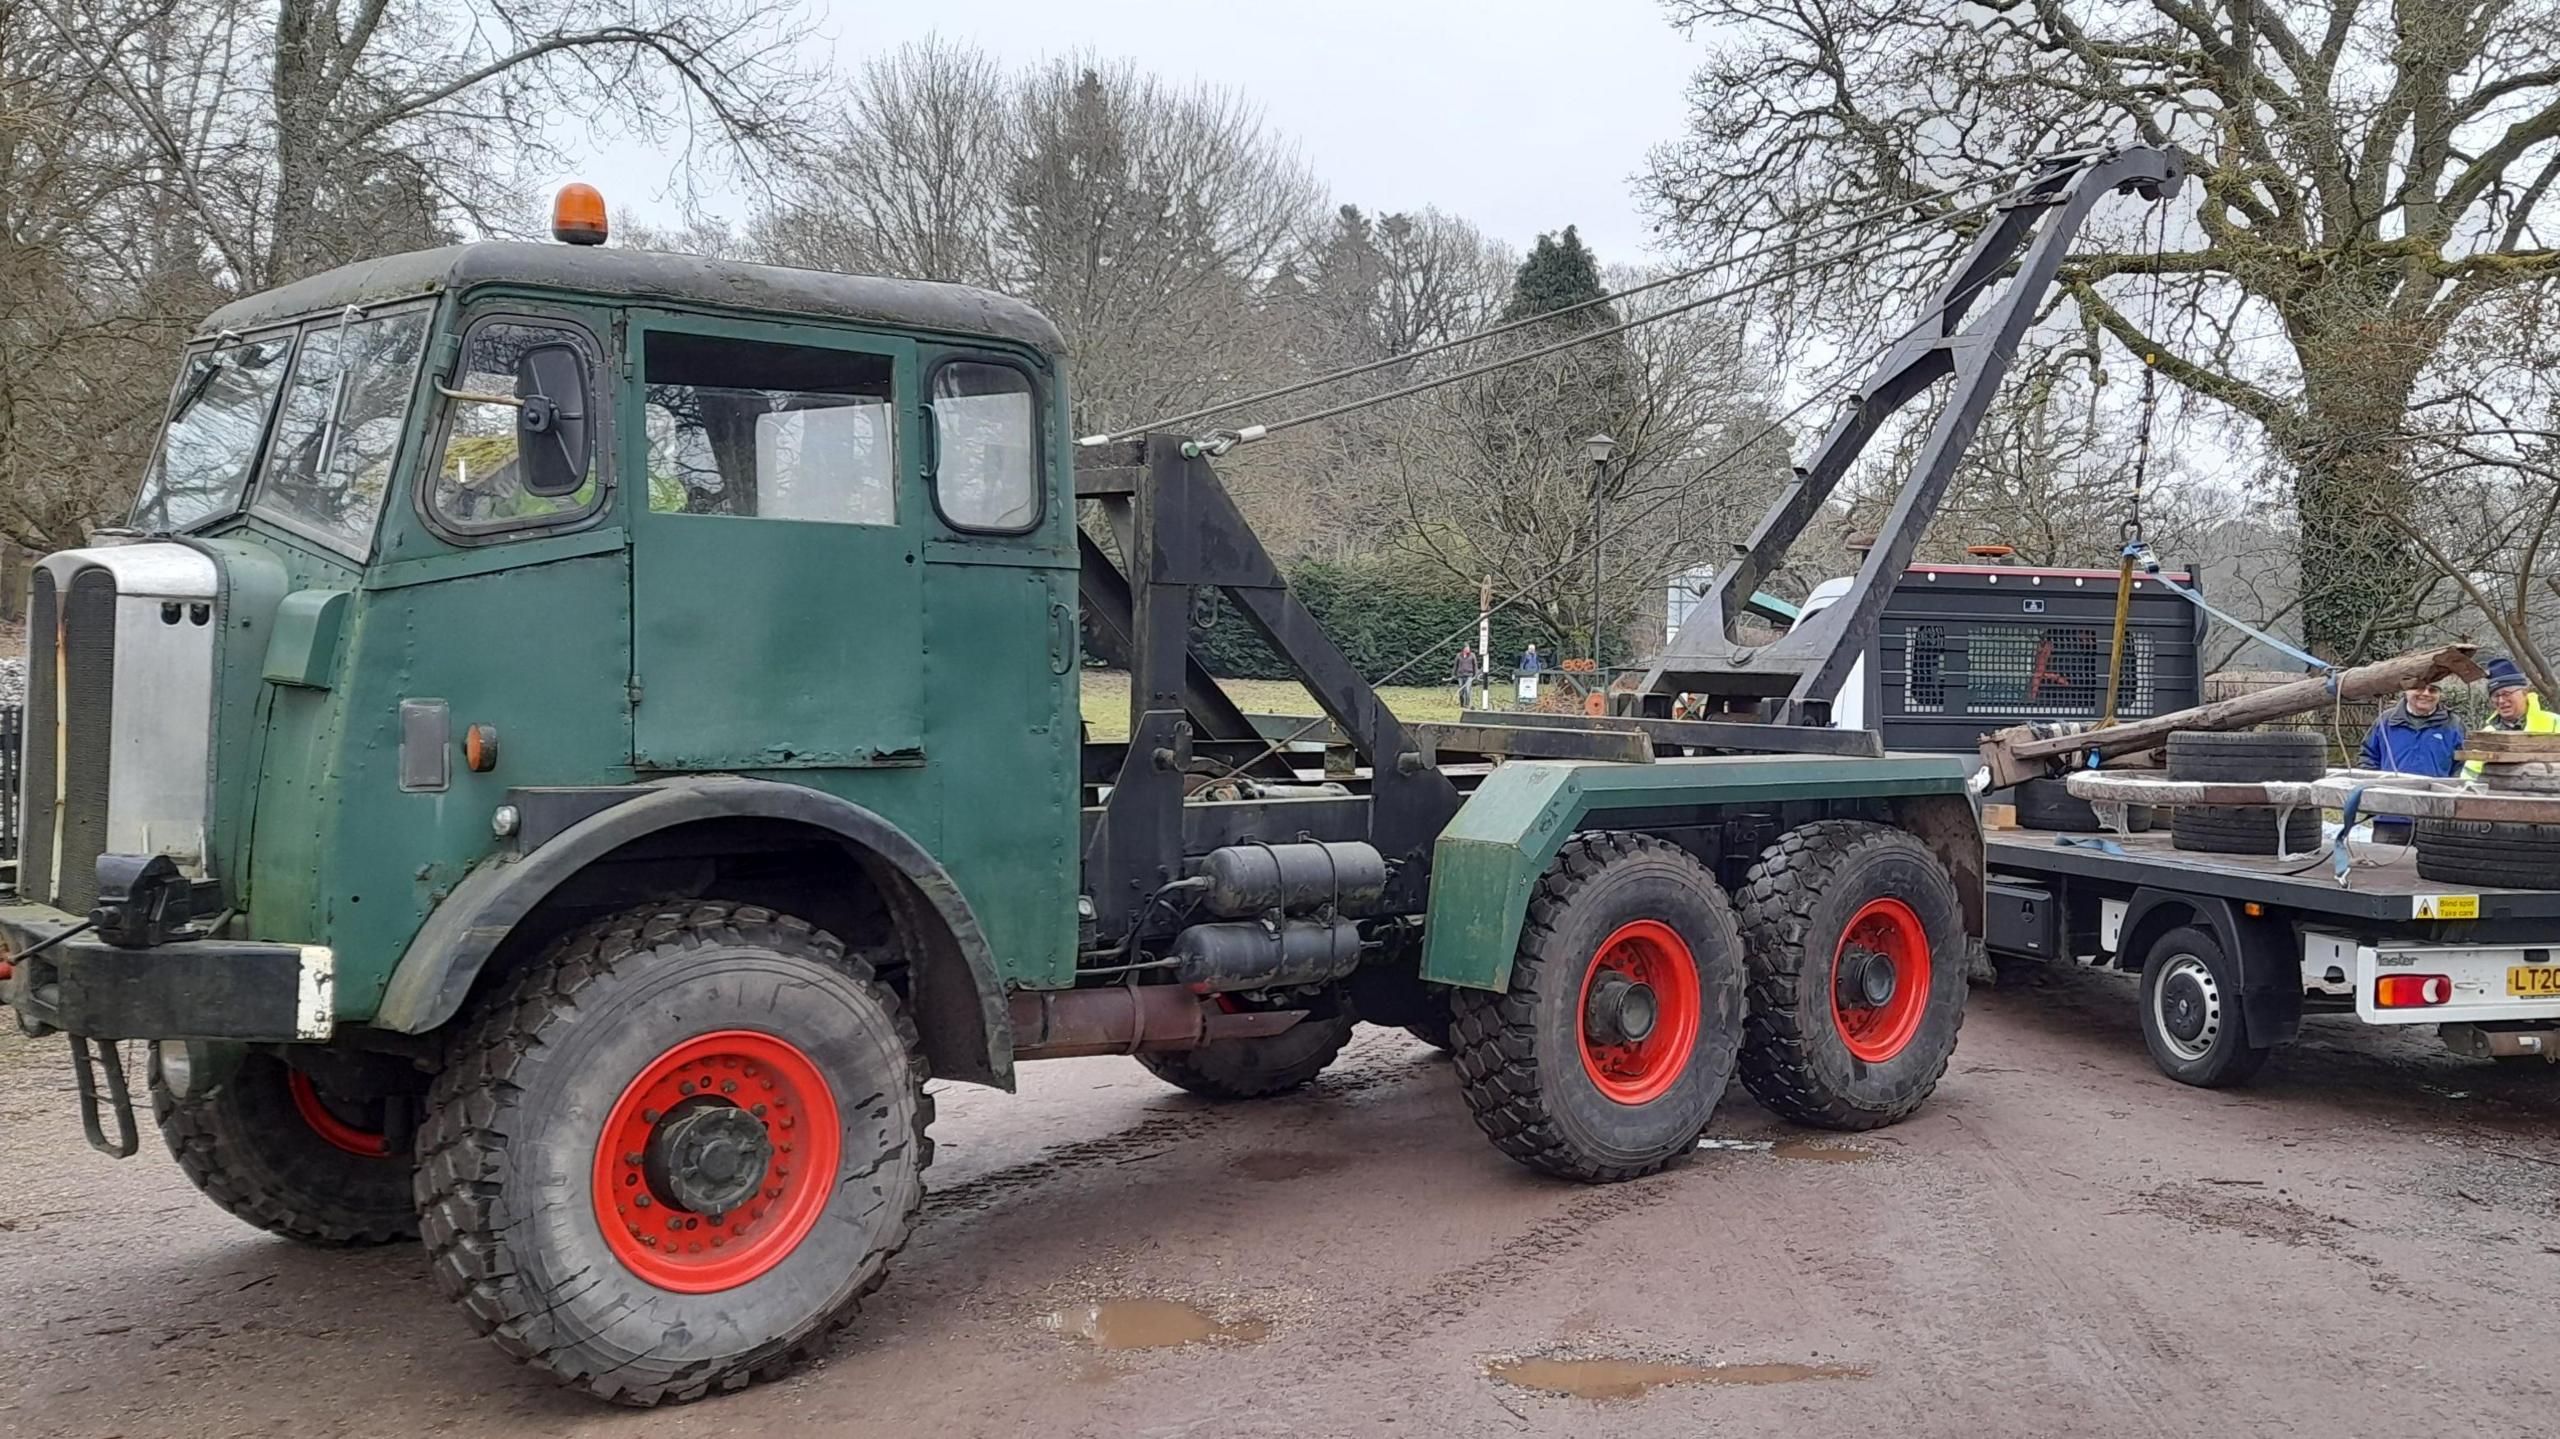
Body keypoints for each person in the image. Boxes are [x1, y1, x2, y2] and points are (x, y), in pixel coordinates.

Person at [2464, 657, 2558, 778]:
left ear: (2525, 692)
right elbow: (2469, 777)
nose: (2501, 701)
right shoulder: (2487, 736)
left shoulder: (2555, 723)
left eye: (2506, 694)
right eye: (2495, 696)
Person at [2359, 681, 2464, 778]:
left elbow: (2463, 762)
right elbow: (2368, 756)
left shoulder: (2453, 724)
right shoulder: (2386, 721)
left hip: (2435, 794)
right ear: (2406, 691)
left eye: (2433, 690)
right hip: (2391, 792)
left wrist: (2453, 788)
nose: (2426, 693)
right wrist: (2374, 784)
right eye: (2419, 688)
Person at [1453, 644, 1480, 708]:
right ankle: (1462, 704)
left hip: (1469, 675)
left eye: (1469, 648)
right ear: (1463, 649)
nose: (1468, 649)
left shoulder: (1472, 655)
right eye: (1467, 648)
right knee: (1461, 691)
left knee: (1467, 690)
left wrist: (1476, 674)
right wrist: (1454, 674)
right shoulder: (1458, 656)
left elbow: (1475, 665)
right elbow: (1455, 665)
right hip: (1460, 675)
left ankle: (1467, 704)